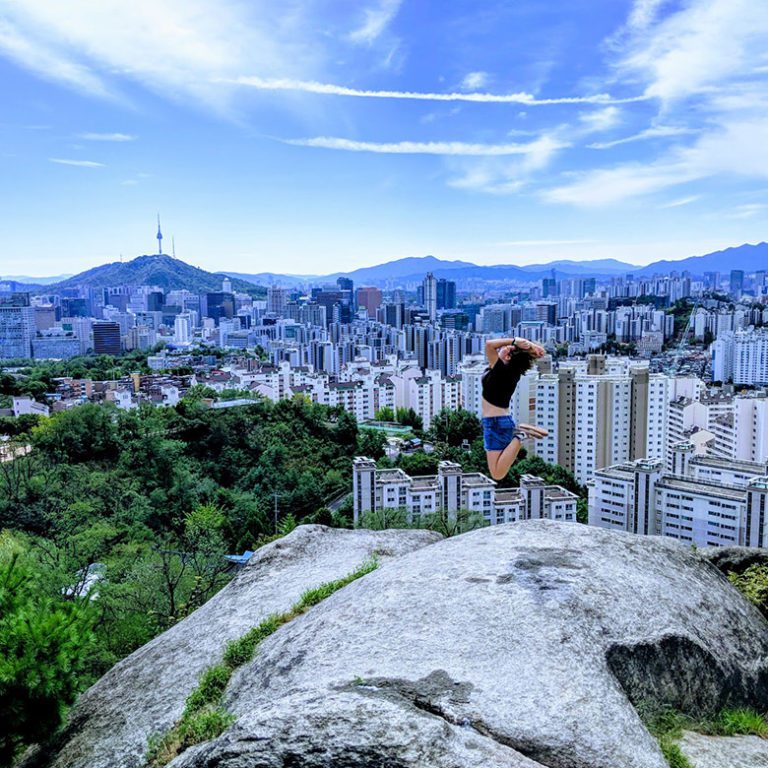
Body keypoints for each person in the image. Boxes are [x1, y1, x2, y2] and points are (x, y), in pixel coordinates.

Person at [482, 336, 548, 480]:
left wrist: (515, 341)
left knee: (497, 474)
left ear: (509, 357)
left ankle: (521, 435)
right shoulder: (507, 371)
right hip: (497, 421)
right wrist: (528, 345)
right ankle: (521, 434)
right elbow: (493, 351)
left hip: (496, 423)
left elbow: (489, 345)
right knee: (496, 473)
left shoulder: (502, 371)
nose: (505, 347)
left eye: (510, 349)